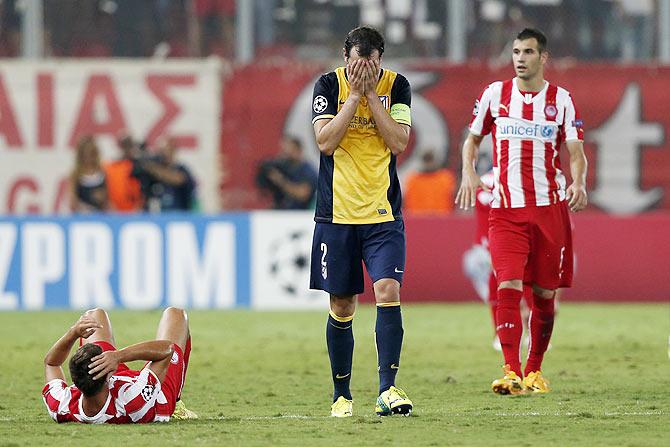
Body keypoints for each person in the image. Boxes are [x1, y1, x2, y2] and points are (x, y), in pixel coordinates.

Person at [456, 28, 587, 395]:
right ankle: (510, 370)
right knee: (508, 283)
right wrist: (468, 173)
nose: (520, 58)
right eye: (516, 51)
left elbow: (576, 152)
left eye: (528, 51)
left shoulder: (562, 101)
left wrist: (578, 183)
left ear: (543, 57)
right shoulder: (494, 95)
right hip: (506, 210)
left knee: (545, 295)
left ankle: (534, 370)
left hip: (549, 210)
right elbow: (473, 139)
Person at [310, 26, 413, 417]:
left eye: (369, 64)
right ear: (345, 57)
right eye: (356, 63)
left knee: (387, 289)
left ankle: (388, 389)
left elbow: (399, 142)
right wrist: (354, 96)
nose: (362, 69)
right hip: (336, 214)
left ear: (380, 60)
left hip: (382, 213)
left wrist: (371, 94)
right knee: (343, 303)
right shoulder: (328, 85)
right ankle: (342, 394)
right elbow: (326, 141)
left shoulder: (397, 86)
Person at [42, 307, 197, 423]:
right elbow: (166, 349)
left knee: (94, 315)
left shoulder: (62, 404)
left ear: (75, 383)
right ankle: (177, 405)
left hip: (112, 383)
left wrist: (73, 333)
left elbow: (51, 363)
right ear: (109, 375)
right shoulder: (132, 403)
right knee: (176, 315)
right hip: (155, 395)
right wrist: (119, 356)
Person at [256, 135, 318, 210]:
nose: (286, 153)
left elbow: (303, 194)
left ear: (298, 150)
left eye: (290, 150)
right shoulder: (285, 168)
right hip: (284, 210)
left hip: (302, 213)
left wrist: (280, 180)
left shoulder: (307, 170)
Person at [138, 137, 197, 212]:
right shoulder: (154, 173)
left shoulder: (181, 169)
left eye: (166, 150)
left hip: (179, 215)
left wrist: (151, 167)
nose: (163, 154)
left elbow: (178, 179)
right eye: (161, 151)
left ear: (173, 151)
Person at [403, 149, 457, 214]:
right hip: (417, 220)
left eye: (430, 159)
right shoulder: (413, 180)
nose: (428, 164)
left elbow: (453, 201)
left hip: (442, 220)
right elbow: (407, 203)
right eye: (426, 160)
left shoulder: (446, 178)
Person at [104, 134, 144, 212]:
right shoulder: (111, 167)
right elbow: (106, 189)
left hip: (135, 212)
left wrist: (137, 209)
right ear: (121, 146)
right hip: (115, 211)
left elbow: (144, 191)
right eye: (125, 145)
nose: (127, 148)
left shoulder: (140, 166)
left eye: (130, 145)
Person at [69, 136, 108, 213]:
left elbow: (108, 198)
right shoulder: (76, 174)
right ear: (80, 156)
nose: (89, 158)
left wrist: (102, 197)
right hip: (83, 215)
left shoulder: (102, 172)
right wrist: (86, 208)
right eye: (85, 155)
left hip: (101, 215)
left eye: (91, 154)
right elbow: (72, 201)